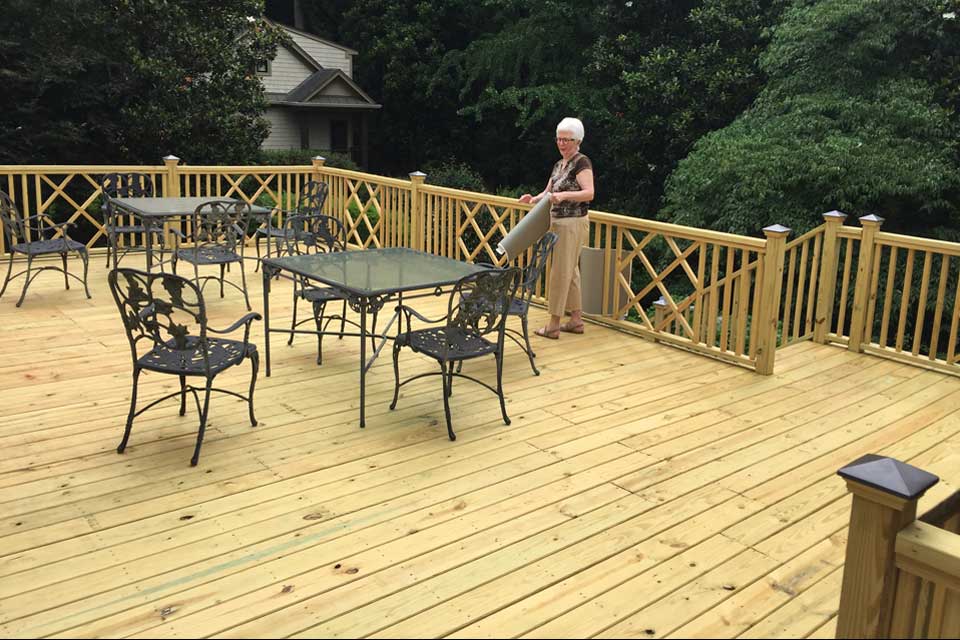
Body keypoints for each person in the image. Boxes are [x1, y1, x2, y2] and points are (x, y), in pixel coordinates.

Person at [519, 117, 595, 339]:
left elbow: (589, 193)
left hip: (572, 223)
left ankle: (553, 325)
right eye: (559, 139)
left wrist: (564, 196)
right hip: (558, 223)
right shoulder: (559, 164)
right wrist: (533, 199)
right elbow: (548, 193)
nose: (561, 143)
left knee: (561, 272)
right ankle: (576, 320)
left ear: (577, 140)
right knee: (571, 271)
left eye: (566, 139)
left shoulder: (582, 162)